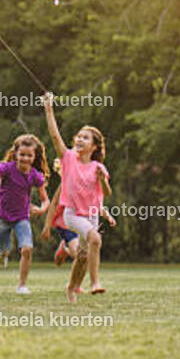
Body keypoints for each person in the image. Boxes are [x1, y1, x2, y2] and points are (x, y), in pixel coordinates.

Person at [43, 92, 111, 302]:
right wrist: (49, 108)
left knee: (82, 256)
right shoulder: (69, 158)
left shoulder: (98, 167)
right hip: (72, 215)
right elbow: (55, 136)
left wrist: (102, 180)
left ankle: (72, 288)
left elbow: (106, 193)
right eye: (78, 136)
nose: (80, 139)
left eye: (85, 137)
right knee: (95, 239)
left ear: (94, 146)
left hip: (91, 215)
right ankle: (95, 283)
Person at [0, 134, 50, 294]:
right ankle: (2, 252)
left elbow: (46, 200)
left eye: (29, 155)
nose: (25, 158)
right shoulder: (6, 169)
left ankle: (22, 285)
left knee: (27, 249)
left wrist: (42, 209)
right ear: (15, 154)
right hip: (2, 216)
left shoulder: (35, 176)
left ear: (34, 156)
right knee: (5, 248)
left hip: (22, 218)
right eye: (22, 154)